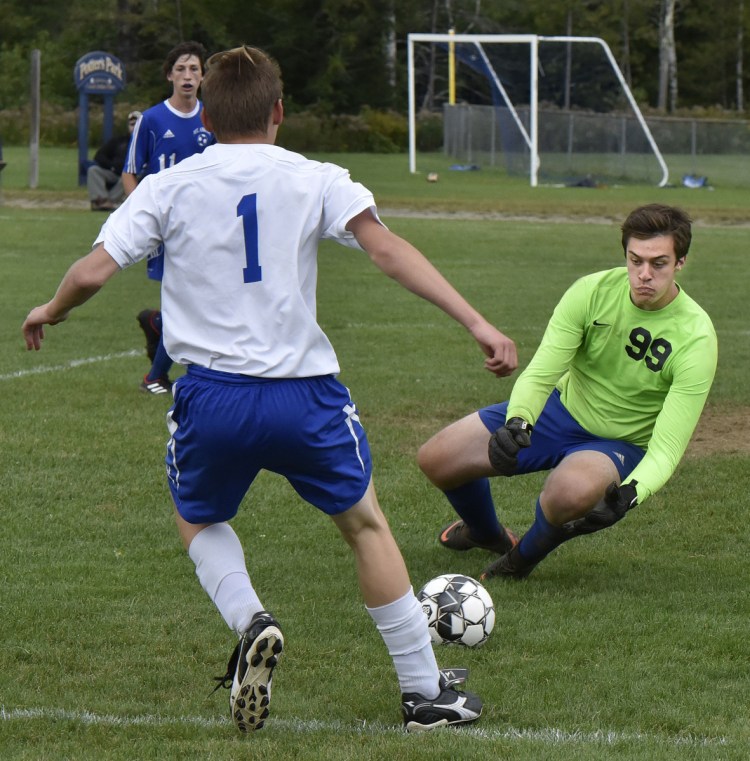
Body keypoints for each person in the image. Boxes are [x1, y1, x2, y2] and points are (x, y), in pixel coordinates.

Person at [22, 44, 518, 733]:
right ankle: (424, 692)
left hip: (213, 396)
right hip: (304, 395)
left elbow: (93, 271)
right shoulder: (314, 176)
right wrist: (477, 322)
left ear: (209, 117)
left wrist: (51, 309)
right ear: (278, 112)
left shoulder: (173, 184)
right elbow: (387, 249)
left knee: (197, 518)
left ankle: (251, 617)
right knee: (365, 524)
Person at [418, 204, 717, 581]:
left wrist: (632, 493)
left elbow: (668, 447)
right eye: (635, 260)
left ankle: (518, 562)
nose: (644, 275)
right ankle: (487, 534)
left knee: (567, 496)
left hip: (620, 441)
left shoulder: (697, 338)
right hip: (561, 410)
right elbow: (542, 372)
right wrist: (519, 421)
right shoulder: (591, 292)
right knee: (437, 459)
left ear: (680, 263)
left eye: (658, 264)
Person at [122, 40, 215, 395]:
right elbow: (130, 172)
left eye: (194, 69)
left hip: (205, 227)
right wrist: (145, 215)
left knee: (194, 300)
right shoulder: (152, 120)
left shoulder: (212, 118)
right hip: (166, 229)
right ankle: (155, 377)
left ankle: (157, 325)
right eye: (181, 69)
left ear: (203, 76)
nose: (188, 76)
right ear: (169, 76)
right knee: (187, 302)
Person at [86, 111, 141, 211]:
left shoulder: (147, 142)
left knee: (128, 176)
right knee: (93, 170)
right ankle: (101, 199)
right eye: (132, 124)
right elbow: (99, 156)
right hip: (114, 172)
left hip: (133, 174)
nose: (134, 127)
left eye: (138, 124)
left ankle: (110, 202)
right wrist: (111, 166)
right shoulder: (118, 141)